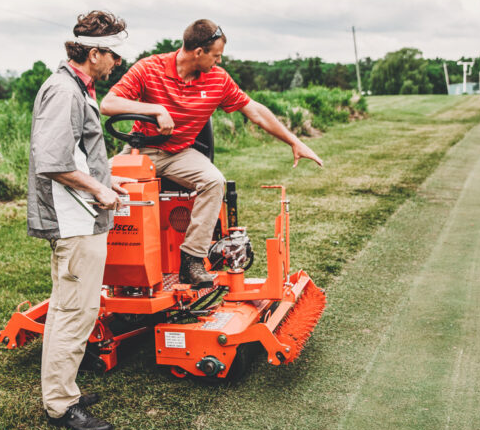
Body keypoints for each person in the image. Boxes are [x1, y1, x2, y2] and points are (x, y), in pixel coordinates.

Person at [100, 19, 324, 288]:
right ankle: (102, 257)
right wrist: (156, 110)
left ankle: (191, 260)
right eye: (216, 56)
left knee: (213, 181)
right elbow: (108, 104)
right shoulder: (150, 68)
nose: (218, 62)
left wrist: (293, 141)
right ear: (198, 53)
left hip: (179, 153)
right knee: (95, 181)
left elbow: (254, 111)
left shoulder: (217, 80)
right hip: (140, 150)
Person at [27, 10, 131, 430]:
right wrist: (100, 191)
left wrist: (106, 180)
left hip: (82, 216)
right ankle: (61, 404)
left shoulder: (77, 88)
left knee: (68, 309)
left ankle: (61, 389)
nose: (118, 64)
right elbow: (51, 162)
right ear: (93, 53)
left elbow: (76, 156)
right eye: (114, 56)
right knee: (76, 312)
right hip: (75, 221)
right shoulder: (65, 92)